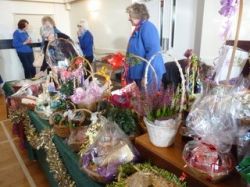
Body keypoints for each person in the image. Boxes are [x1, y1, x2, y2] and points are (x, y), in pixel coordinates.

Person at [126, 3, 165, 89]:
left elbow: (153, 54)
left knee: (148, 101)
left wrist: (147, 76)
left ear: (137, 14)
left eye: (130, 15)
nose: (128, 18)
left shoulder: (147, 27)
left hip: (149, 73)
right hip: (140, 74)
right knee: (141, 100)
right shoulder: (140, 27)